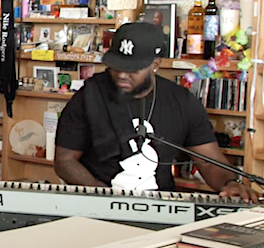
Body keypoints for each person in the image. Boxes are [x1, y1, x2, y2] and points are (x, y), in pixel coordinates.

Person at [54, 22, 258, 199]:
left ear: (155, 65)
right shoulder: (88, 96)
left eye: (133, 69)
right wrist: (100, 194)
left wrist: (229, 184)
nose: (122, 75)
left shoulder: (182, 102)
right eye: (116, 66)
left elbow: (209, 163)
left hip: (159, 207)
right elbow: (64, 161)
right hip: (98, 205)